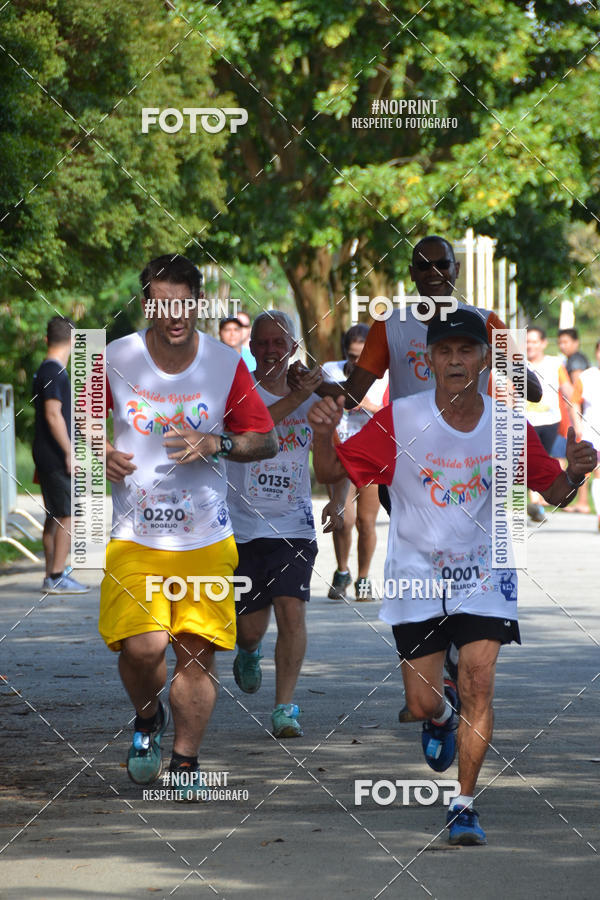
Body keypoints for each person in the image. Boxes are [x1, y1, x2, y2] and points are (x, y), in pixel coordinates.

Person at [308, 308, 595, 845]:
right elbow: (336, 473)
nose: (457, 360)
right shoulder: (400, 418)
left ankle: (463, 803)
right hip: (415, 576)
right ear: (429, 360)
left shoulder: (508, 426)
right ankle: (439, 716)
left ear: (486, 360)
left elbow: (553, 492)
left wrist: (575, 473)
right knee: (421, 703)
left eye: (467, 351)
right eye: (446, 352)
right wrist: (324, 436)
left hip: (485, 573)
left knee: (478, 682)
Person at [100, 254, 277, 796]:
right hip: (136, 535)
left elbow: (264, 439)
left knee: (196, 655)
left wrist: (217, 442)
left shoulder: (225, 363)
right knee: (143, 649)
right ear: (147, 303)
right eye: (162, 302)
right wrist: (96, 452)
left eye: (185, 302)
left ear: (198, 303)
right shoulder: (111, 357)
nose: (175, 313)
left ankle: (185, 762)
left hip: (205, 535)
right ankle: (148, 719)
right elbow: (74, 431)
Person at [226, 310, 344, 738]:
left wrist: (338, 501)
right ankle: (249, 651)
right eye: (264, 342)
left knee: (292, 612)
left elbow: (335, 454)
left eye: (281, 343)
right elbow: (257, 423)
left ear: (294, 348)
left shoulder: (314, 396)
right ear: (251, 348)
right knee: (250, 627)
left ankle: (284, 707)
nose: (272, 350)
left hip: (293, 525)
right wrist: (304, 393)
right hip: (241, 528)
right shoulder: (239, 391)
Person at [322, 324, 388, 601]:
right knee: (343, 519)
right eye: (351, 356)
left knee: (365, 521)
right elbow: (321, 408)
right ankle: (341, 570)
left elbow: (397, 414)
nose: (357, 362)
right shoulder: (331, 371)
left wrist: (370, 406)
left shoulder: (385, 377)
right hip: (341, 453)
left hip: (371, 456)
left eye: (363, 357)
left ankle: (363, 578)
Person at [32, 316, 90, 594]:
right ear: (73, 341)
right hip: (56, 455)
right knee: (67, 515)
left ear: (47, 339)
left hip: (45, 453)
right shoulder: (55, 372)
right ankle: (56, 575)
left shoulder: (45, 369)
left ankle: (50, 573)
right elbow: (53, 415)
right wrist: (69, 452)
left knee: (53, 514)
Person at [526, 326, 573, 521]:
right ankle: (536, 505)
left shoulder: (555, 364)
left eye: (534, 341)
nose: (530, 345)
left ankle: (542, 502)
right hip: (526, 422)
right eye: (527, 341)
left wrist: (574, 418)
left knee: (551, 461)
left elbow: (569, 391)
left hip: (551, 421)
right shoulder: (515, 363)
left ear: (544, 343)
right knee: (530, 463)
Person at [572, 339, 600, 528]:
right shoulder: (587, 377)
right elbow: (574, 402)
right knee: (597, 473)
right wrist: (578, 426)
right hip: (593, 432)